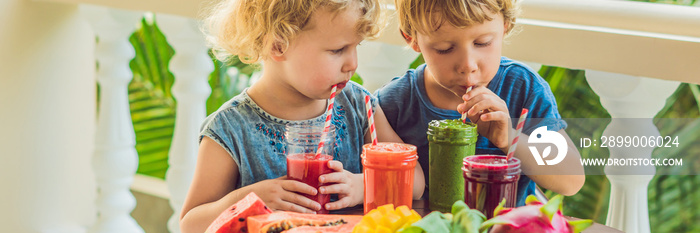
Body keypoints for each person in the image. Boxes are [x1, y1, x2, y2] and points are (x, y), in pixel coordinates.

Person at [179, 0, 425, 232]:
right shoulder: (231, 128)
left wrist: (364, 186)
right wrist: (248, 199)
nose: (352, 63)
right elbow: (190, 224)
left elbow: (415, 181)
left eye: (355, 46)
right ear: (278, 46)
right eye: (338, 50)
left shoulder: (358, 105)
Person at [376, 0, 585, 206]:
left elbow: (571, 181)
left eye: (482, 42)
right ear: (412, 38)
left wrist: (509, 138)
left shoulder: (523, 89)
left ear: (505, 26)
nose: (468, 65)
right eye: (444, 48)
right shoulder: (394, 103)